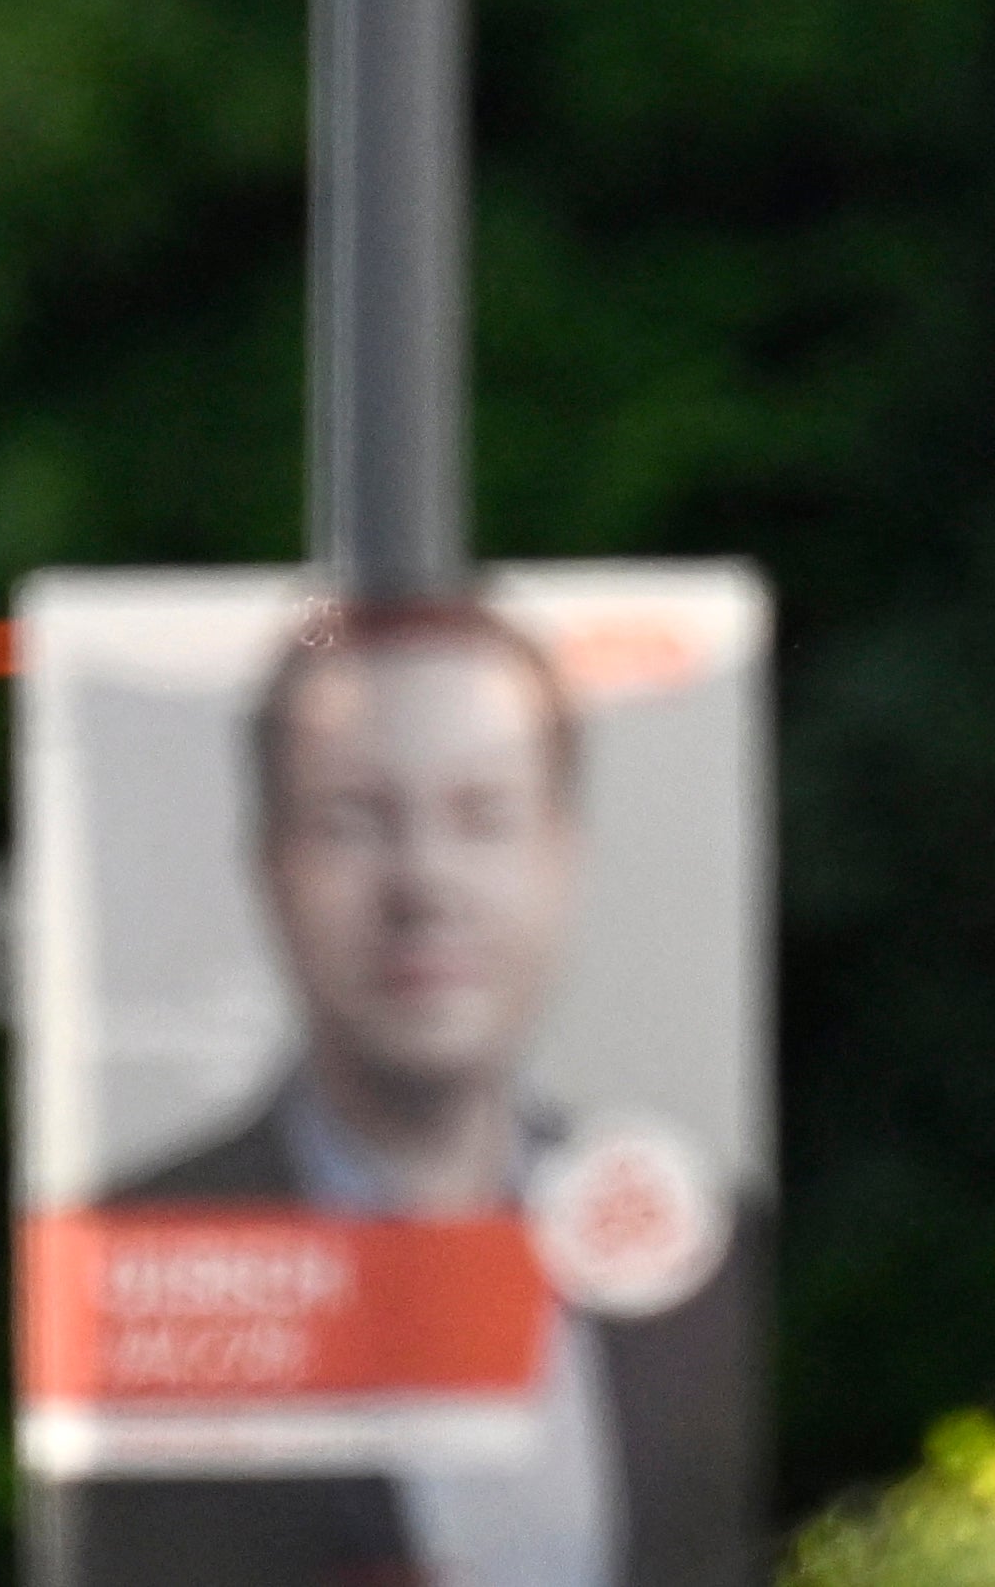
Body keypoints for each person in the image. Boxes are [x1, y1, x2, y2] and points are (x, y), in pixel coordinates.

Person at [41, 598, 758, 1587]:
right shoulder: (133, 1256)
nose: (423, 881)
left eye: (483, 814)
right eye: (352, 818)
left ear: (564, 853)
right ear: (268, 865)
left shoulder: (707, 1255)